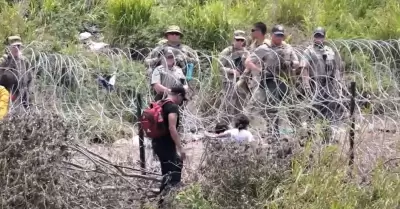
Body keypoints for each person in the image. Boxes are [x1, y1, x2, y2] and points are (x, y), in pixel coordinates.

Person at [244, 25, 299, 140]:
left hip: (285, 83)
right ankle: (246, 133)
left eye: (281, 35)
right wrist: (259, 70)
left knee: (290, 109)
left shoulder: (287, 48)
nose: (279, 38)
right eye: (277, 35)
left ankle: (291, 135)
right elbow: (248, 62)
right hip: (268, 83)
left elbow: (296, 62)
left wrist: (293, 64)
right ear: (272, 35)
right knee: (255, 108)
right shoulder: (265, 48)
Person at [300, 27, 339, 142]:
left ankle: (326, 138)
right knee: (313, 112)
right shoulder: (309, 51)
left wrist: (337, 83)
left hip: (328, 85)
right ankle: (309, 138)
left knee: (327, 112)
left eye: (320, 36)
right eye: (316, 36)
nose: (318, 38)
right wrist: (306, 84)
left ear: (324, 37)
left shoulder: (329, 50)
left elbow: (336, 68)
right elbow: (304, 68)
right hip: (314, 84)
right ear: (313, 37)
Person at [151, 86, 188, 194]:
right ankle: (168, 198)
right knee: (173, 170)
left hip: (157, 143)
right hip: (166, 145)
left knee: (167, 170)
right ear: (179, 95)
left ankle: (164, 197)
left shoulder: (160, 103)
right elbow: (172, 128)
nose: (181, 102)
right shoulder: (172, 107)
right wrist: (181, 148)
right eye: (182, 99)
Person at [218, 30, 249, 116]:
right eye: (237, 40)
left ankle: (237, 126)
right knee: (227, 106)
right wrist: (231, 71)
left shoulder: (246, 53)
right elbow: (220, 67)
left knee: (240, 107)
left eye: (241, 40)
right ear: (233, 40)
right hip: (229, 82)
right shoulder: (227, 51)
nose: (239, 42)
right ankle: (224, 126)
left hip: (242, 83)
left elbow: (249, 67)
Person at [0, 35, 32, 108]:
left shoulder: (24, 62)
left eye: (19, 46)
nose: (16, 49)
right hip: (6, 99)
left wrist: (28, 100)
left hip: (22, 99)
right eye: (14, 47)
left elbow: (30, 81)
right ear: (8, 48)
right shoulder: (3, 62)